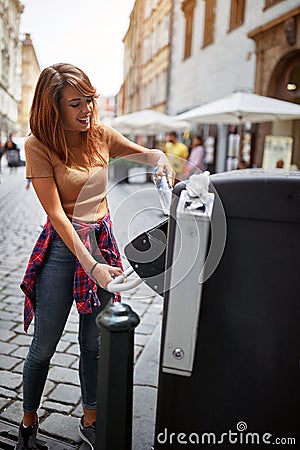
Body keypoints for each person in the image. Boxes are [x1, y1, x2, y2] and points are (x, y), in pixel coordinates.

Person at [16, 63, 174, 450]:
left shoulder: (100, 134)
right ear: (53, 108)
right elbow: (56, 215)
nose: (87, 109)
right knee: (44, 346)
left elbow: (148, 155)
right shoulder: (38, 145)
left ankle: (90, 418)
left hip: (102, 243)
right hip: (62, 248)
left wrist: (163, 161)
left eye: (89, 100)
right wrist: (92, 265)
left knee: (94, 343)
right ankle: (28, 422)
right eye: (76, 103)